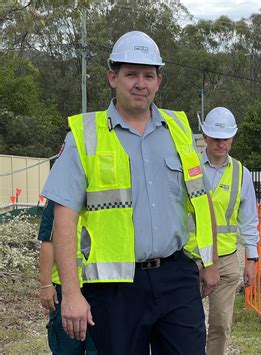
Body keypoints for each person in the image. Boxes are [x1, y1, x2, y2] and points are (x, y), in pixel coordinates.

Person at [41, 31, 219, 354]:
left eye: (148, 75)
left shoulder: (179, 130)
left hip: (176, 276)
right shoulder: (85, 136)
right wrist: (70, 292)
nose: (140, 83)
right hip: (115, 289)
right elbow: (62, 218)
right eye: (131, 74)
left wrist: (210, 261)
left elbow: (201, 199)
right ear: (113, 77)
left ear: (158, 81)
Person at [185, 107, 259, 355]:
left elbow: (249, 220)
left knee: (220, 324)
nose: (221, 143)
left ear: (232, 138)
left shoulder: (241, 174)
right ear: (205, 137)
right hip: (189, 258)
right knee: (185, 325)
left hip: (226, 260)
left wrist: (251, 259)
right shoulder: (188, 167)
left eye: (225, 138)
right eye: (216, 138)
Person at [38, 200, 97, 355]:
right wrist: (45, 284)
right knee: (67, 349)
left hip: (100, 287)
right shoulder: (58, 200)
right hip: (64, 290)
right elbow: (47, 241)